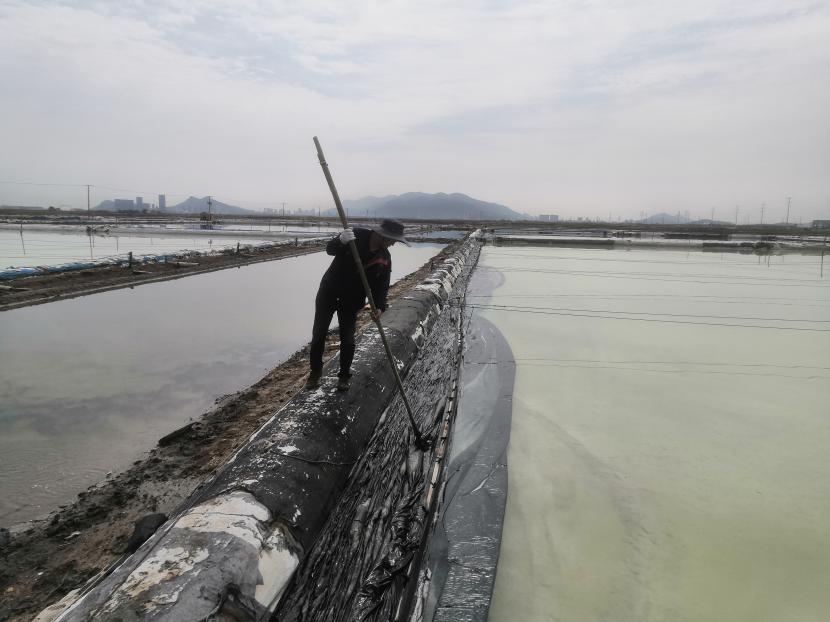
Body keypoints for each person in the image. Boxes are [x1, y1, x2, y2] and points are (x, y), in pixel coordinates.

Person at [305, 219, 408, 391]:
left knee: (348, 339)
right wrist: (340, 240)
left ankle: (344, 376)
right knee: (319, 334)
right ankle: (315, 373)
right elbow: (330, 249)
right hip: (329, 291)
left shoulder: (384, 258)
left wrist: (379, 307)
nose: (394, 243)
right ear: (383, 235)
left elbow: (382, 286)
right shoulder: (355, 235)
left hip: (352, 299)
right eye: (393, 239)